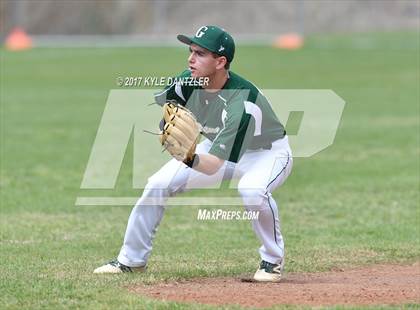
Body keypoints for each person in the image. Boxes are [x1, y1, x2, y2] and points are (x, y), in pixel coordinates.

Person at [94, 25, 293, 282]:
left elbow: (212, 166)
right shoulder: (185, 82)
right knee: (157, 184)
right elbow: (168, 111)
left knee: (253, 191)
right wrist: (168, 127)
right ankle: (131, 261)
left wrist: (187, 155)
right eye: (190, 50)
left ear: (221, 61)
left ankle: (272, 261)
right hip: (216, 144)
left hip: (266, 154)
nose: (190, 58)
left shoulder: (242, 103)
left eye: (200, 53)